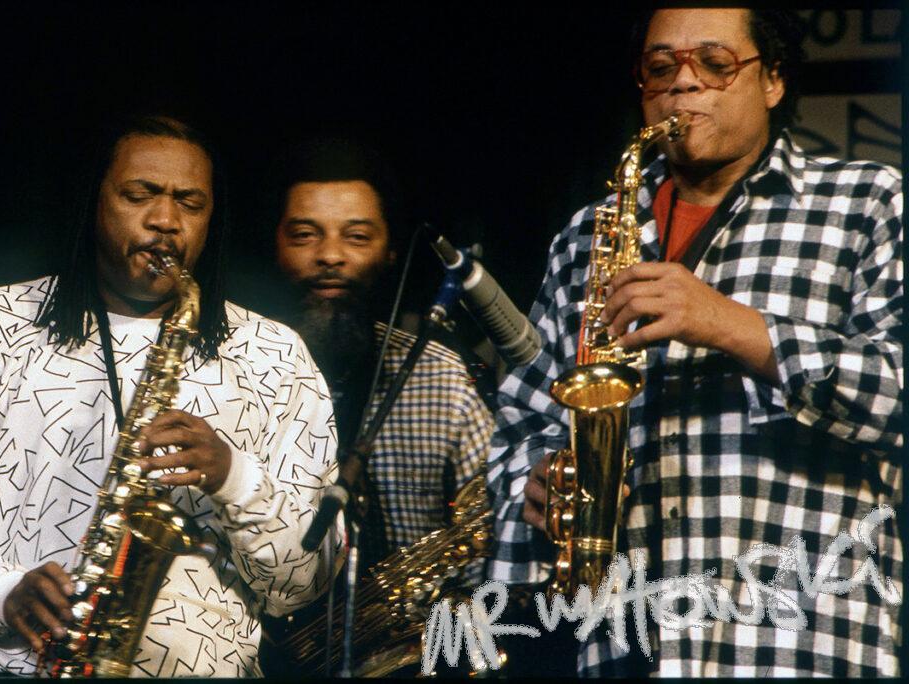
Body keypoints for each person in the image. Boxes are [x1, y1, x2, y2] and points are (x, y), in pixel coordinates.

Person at [487, 8, 902, 677]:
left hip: (797, 640)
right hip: (622, 643)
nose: (683, 85)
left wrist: (729, 323)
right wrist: (535, 482)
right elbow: (523, 420)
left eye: (714, 64)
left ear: (772, 80)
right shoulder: (585, 236)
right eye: (661, 69)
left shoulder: (868, 203)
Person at [0, 115, 343, 677]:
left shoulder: (276, 354)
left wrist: (235, 478)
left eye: (190, 203)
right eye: (139, 194)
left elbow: (306, 583)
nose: (165, 221)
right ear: (95, 200)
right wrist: (2, 593)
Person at [267, 138, 495, 572]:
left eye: (356, 237)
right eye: (304, 235)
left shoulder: (443, 379)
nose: (330, 256)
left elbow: (490, 541)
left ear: (392, 251)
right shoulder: (229, 369)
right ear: (275, 246)